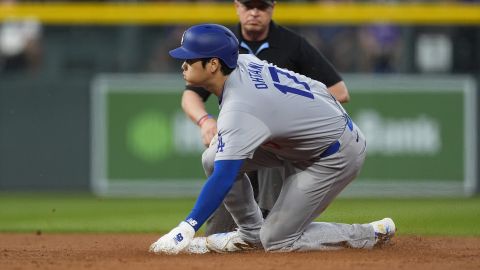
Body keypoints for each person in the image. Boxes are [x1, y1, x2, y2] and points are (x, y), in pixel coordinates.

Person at [149, 24, 395, 254]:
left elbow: (224, 178)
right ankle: (250, 234)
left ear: (213, 65)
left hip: (334, 154)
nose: (183, 64)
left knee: (276, 240)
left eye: (189, 59)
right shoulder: (242, 62)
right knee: (212, 159)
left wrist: (186, 228)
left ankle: (369, 233)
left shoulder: (240, 109)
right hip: (302, 142)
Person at [181, 0, 350, 236]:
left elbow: (339, 91)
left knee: (272, 229)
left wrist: (285, 114)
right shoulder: (221, 43)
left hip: (275, 144)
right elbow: (190, 96)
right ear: (237, 6)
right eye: (248, 6)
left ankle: (272, 230)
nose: (254, 12)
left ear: (272, 8)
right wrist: (205, 121)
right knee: (218, 232)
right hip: (237, 135)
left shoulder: (292, 43)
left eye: (261, 7)